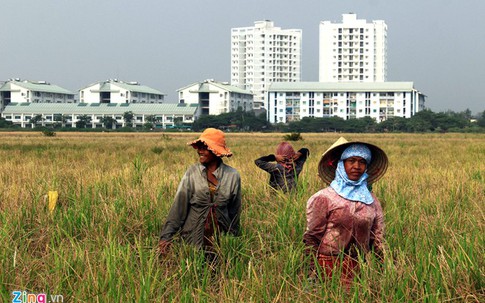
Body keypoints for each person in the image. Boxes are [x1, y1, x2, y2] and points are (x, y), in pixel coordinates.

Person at [303, 137, 388, 287]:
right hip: (328, 264)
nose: (357, 166)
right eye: (351, 161)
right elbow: (312, 236)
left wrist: (383, 268)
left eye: (362, 162)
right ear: (341, 165)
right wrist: (312, 270)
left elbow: (377, 237)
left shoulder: (371, 201)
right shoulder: (324, 198)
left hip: (359, 266)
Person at [158, 128, 241, 260]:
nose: (199, 151)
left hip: (221, 242)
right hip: (192, 240)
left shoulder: (232, 176)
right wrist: (166, 237)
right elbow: (178, 208)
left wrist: (235, 240)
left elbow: (234, 213)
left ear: (215, 151)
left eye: (204, 148)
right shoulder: (192, 173)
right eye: (199, 147)